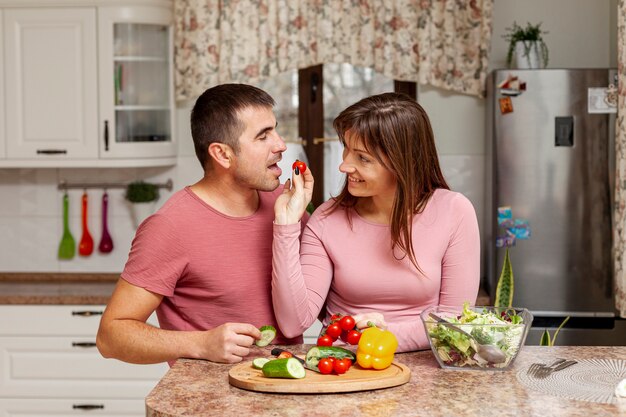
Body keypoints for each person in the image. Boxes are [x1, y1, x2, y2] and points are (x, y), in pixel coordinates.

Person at [97, 84, 308, 365]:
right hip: (209, 398)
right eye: (263, 136)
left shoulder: (285, 206)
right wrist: (200, 342)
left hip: (286, 390)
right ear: (222, 154)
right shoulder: (170, 227)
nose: (281, 144)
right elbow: (110, 336)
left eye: (275, 130)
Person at [272, 92, 480, 352]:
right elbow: (293, 323)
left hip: (426, 368)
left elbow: (455, 321)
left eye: (363, 158)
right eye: (346, 149)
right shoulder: (326, 219)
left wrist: (380, 336)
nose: (344, 166)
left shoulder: (454, 211)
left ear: (402, 163)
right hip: (344, 368)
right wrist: (286, 225)